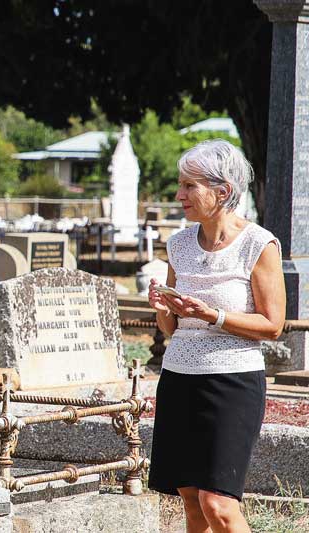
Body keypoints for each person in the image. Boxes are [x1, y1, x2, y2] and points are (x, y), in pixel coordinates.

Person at [147, 139, 285, 533]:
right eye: (180, 185)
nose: (179, 195)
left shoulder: (259, 244)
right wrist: (163, 306)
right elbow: (170, 328)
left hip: (232, 383)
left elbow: (273, 324)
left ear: (222, 191)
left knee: (219, 505)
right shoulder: (178, 244)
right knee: (192, 504)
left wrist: (214, 316)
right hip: (178, 380)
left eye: (189, 186)